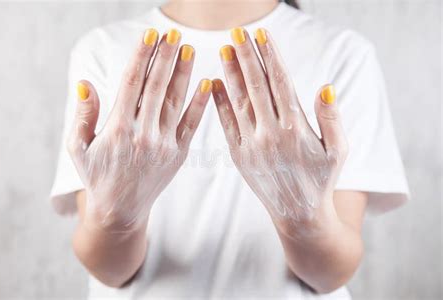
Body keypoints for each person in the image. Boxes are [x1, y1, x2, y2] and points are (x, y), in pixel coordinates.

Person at [50, 0, 409, 298]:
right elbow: (110, 271)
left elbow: (331, 275)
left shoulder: (343, 53)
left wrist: (303, 217)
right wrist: (118, 217)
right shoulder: (102, 49)